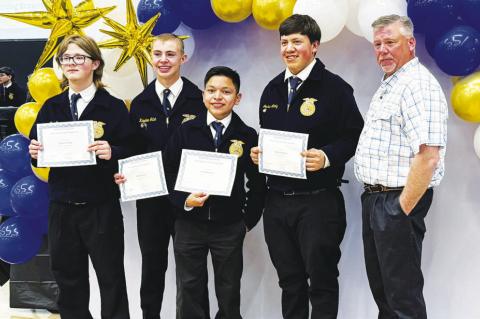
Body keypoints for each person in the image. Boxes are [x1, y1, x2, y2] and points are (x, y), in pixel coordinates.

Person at [250, 14, 364, 318]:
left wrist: (327, 156)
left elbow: (354, 136)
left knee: (322, 282)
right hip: (276, 204)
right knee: (290, 282)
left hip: (318, 203)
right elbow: (269, 136)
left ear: (314, 46)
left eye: (296, 41)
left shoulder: (335, 89)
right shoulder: (272, 89)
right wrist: (261, 155)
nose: (288, 48)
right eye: (284, 42)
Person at [28, 34, 133, 319]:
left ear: (95, 63)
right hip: (62, 208)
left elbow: (133, 147)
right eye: (65, 58)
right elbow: (36, 149)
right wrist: (34, 150)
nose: (71, 63)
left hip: (101, 208)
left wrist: (114, 151)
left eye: (79, 57)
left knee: (111, 279)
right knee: (68, 280)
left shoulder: (112, 107)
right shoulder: (51, 106)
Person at [354, 15, 448, 319]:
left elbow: (429, 156)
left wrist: (400, 209)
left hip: (394, 203)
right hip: (376, 200)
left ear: (410, 43)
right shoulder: (392, 83)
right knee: (385, 295)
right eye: (377, 44)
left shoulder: (417, 85)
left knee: (402, 300)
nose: (382, 50)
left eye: (390, 42)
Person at [114, 33, 206, 319]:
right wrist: (123, 172)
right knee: (152, 267)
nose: (163, 60)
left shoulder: (199, 99)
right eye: (157, 54)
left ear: (183, 57)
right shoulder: (140, 103)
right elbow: (132, 147)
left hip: (188, 200)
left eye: (170, 54)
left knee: (191, 270)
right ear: (150, 58)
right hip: (151, 201)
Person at [163, 66, 266, 319]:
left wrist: (246, 221)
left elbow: (258, 184)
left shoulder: (247, 135)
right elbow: (166, 174)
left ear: (237, 97)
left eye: (226, 91)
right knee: (189, 290)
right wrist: (183, 201)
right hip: (188, 225)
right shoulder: (186, 132)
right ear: (203, 95)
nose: (217, 97)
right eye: (211, 91)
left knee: (229, 291)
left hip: (229, 226)